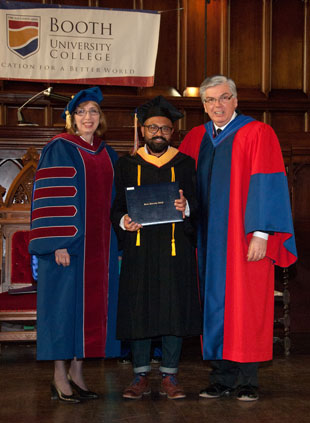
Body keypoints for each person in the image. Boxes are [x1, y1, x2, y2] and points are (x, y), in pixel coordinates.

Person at [179, 75, 297, 401]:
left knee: (246, 306)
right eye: (210, 100)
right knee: (212, 307)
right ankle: (221, 377)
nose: (217, 105)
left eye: (223, 98)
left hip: (244, 239)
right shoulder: (195, 138)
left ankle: (248, 380)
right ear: (203, 105)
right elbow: (184, 188)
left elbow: (267, 185)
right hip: (206, 241)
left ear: (235, 100)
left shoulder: (258, 133)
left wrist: (261, 233)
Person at [29, 86, 120, 403]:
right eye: (81, 112)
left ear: (100, 117)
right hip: (67, 248)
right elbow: (50, 199)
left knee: (92, 313)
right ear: (71, 118)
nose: (88, 117)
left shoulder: (107, 153)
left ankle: (78, 373)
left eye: (93, 111)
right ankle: (58, 377)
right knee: (62, 310)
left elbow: (117, 201)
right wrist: (58, 244)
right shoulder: (59, 148)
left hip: (101, 249)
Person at [111, 96, 201, 400]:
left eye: (164, 128)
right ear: (142, 130)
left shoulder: (185, 163)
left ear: (172, 132)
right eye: (152, 128)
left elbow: (200, 205)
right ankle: (139, 376)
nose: (158, 133)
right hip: (139, 249)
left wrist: (186, 205)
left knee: (173, 309)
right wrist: (123, 220)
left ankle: (170, 376)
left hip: (175, 250)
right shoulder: (127, 164)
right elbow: (116, 207)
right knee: (139, 309)